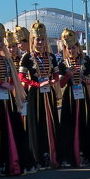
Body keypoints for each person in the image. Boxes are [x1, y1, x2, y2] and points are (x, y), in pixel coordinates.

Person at [0, 20, 31, 178]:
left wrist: (10, 87)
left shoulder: (5, 59)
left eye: (2, 40)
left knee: (12, 128)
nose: (2, 43)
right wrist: (0, 83)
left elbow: (12, 79)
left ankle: (13, 162)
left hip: (7, 97)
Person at [19, 20, 60, 170]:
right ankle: (37, 158)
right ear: (33, 40)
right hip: (35, 95)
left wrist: (51, 81)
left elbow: (56, 75)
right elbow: (21, 77)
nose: (41, 42)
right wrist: (36, 84)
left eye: (43, 39)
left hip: (48, 94)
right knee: (36, 125)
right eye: (38, 39)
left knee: (50, 123)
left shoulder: (51, 56)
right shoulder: (27, 57)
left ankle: (51, 155)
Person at [56, 28, 90, 168]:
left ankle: (88, 155)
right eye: (69, 48)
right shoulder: (62, 63)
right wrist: (67, 75)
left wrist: (81, 77)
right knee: (68, 126)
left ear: (78, 47)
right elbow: (61, 84)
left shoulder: (85, 60)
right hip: (69, 97)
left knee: (85, 124)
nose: (71, 50)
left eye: (73, 48)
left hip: (83, 96)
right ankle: (69, 156)